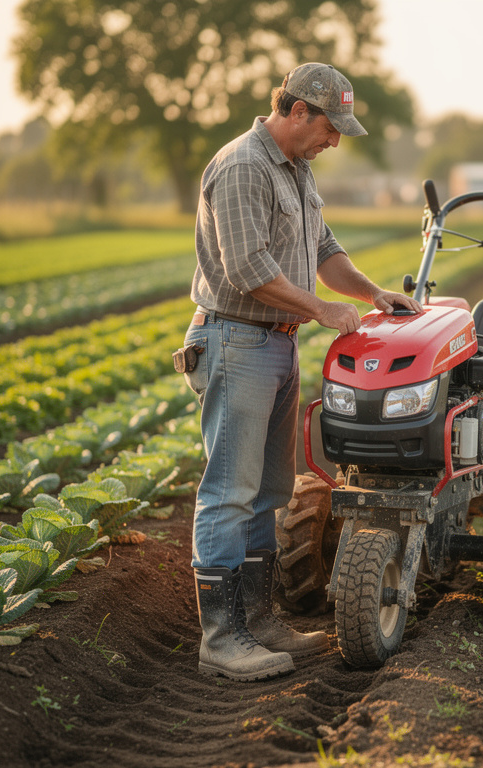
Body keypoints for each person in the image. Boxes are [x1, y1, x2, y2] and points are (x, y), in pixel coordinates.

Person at [181, 62, 420, 682]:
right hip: (236, 340)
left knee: (269, 490)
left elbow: (323, 250)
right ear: (295, 111)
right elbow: (247, 269)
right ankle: (222, 637)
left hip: (276, 344)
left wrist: (372, 295)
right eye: (330, 126)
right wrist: (319, 309)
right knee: (229, 491)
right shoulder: (241, 166)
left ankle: (259, 622)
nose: (336, 140)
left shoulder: (297, 170)